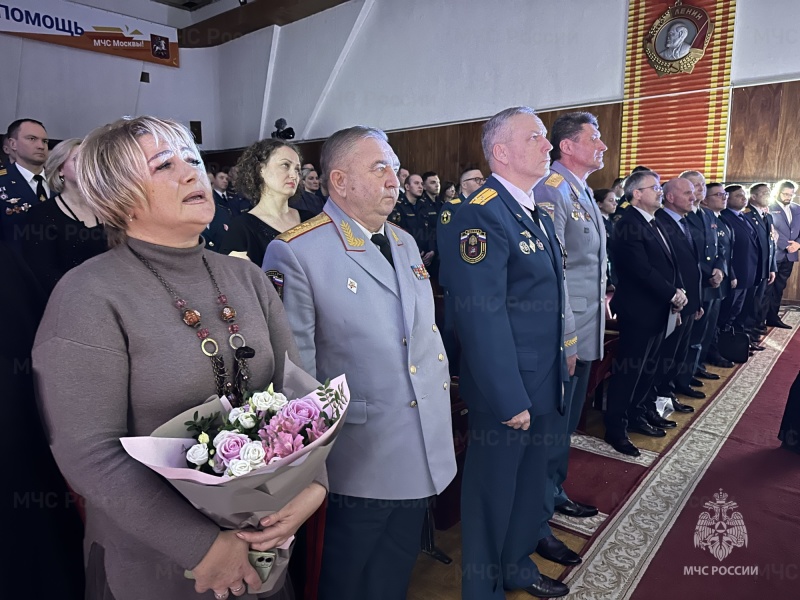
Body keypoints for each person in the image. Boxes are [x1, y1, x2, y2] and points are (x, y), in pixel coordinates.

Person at [33, 116, 326, 600]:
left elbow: (300, 399)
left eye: (192, 159)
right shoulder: (88, 294)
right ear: (118, 194)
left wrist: (312, 487)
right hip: (158, 567)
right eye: (164, 165)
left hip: (267, 548)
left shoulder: (247, 278)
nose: (193, 174)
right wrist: (204, 547)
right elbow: (89, 454)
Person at [264, 126, 456, 600]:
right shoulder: (297, 251)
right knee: (345, 578)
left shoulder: (404, 242)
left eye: (394, 167)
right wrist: (309, 469)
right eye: (379, 168)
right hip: (359, 455)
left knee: (393, 572)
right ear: (340, 181)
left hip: (421, 444)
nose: (395, 178)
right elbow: (297, 373)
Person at [439, 106, 572, 599]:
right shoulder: (481, 212)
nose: (548, 145)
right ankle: (483, 590)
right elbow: (481, 314)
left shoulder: (530, 207)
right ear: (501, 152)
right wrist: (506, 395)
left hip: (543, 379)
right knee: (493, 495)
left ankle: (516, 567)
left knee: (527, 488)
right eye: (535, 137)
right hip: (510, 387)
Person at [534, 112, 607, 543]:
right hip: (568, 331)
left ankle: (554, 491)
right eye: (593, 139)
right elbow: (554, 270)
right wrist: (567, 338)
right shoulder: (553, 189)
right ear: (568, 146)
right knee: (554, 425)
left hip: (587, 324)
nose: (601, 146)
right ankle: (539, 508)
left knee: (569, 423)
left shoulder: (579, 190)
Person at [605, 171, 686, 457]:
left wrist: (678, 290)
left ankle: (637, 413)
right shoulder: (628, 223)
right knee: (629, 372)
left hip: (657, 308)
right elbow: (641, 269)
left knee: (648, 369)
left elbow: (667, 265)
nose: (660, 191)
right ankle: (615, 427)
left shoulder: (653, 221)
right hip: (638, 310)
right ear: (636, 193)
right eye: (655, 187)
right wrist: (671, 293)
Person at [21, 138, 106, 296]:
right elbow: (42, 273)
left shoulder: (109, 210)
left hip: (110, 298)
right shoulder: (41, 215)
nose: (86, 165)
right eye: (78, 159)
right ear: (60, 169)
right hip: (66, 301)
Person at [219, 139, 315, 265]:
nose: (294, 175)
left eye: (297, 169)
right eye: (285, 165)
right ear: (260, 170)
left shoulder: (310, 220)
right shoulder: (242, 229)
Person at [0, 118, 50, 246]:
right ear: (13, 144)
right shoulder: (3, 181)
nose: (41, 146)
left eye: (44, 141)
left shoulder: (60, 181)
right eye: (32, 139)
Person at [767, 180, 800, 328]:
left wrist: (798, 244)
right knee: (767, 289)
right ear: (777, 192)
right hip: (774, 254)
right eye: (785, 194)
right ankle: (759, 320)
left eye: (791, 194)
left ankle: (773, 317)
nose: (788, 197)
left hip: (790, 255)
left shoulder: (797, 208)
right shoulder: (769, 207)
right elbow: (771, 231)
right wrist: (786, 245)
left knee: (779, 287)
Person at [595, 187, 617, 288]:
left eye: (615, 200)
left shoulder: (611, 222)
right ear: (600, 204)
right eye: (610, 200)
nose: (615, 204)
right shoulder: (598, 223)